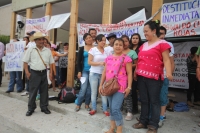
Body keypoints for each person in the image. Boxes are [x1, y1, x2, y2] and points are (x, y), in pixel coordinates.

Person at [132, 20, 172, 133]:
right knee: (144, 100)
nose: (145, 34)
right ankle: (143, 121)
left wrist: (168, 72)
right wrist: (135, 72)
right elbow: (139, 60)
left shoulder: (162, 44)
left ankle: (153, 126)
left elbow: (166, 60)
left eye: (146, 31)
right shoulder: (143, 45)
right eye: (144, 32)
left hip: (154, 78)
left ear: (154, 31)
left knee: (154, 101)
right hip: (141, 76)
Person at [99, 38, 132, 133]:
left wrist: (129, 87)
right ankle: (112, 128)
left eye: (120, 45)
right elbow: (104, 72)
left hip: (121, 87)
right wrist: (101, 85)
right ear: (113, 46)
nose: (118, 46)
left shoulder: (126, 58)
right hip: (109, 86)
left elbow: (130, 73)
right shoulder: (108, 58)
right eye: (116, 44)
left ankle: (119, 130)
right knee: (111, 108)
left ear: (123, 46)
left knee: (115, 108)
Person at [23, 32, 54, 116]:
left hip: (44, 73)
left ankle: (44, 107)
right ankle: (31, 108)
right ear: (35, 41)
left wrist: (51, 73)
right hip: (34, 73)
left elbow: (51, 63)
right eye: (39, 39)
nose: (41, 41)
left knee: (44, 91)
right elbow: (25, 62)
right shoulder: (30, 49)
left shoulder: (47, 50)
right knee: (33, 92)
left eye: (42, 39)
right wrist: (27, 72)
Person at [88, 34, 109, 116]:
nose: (104, 42)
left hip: (104, 74)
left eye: (104, 40)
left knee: (103, 92)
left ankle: (105, 109)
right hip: (94, 73)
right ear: (97, 41)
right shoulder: (93, 50)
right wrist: (100, 63)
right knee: (94, 92)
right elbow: (89, 62)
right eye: (102, 40)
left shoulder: (107, 51)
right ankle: (94, 108)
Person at [158, 26, 175, 127]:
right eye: (159, 33)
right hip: (154, 76)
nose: (161, 35)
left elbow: (172, 62)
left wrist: (169, 74)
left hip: (164, 76)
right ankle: (155, 115)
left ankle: (162, 116)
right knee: (154, 97)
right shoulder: (152, 44)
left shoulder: (169, 44)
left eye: (163, 33)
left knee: (162, 96)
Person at [121, 35, 138, 121]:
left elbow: (137, 64)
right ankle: (119, 110)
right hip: (119, 77)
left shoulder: (132, 52)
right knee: (118, 93)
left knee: (128, 94)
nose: (124, 43)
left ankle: (129, 112)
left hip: (128, 75)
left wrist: (128, 66)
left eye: (126, 41)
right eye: (122, 41)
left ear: (129, 42)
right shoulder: (117, 51)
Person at [75, 33, 93, 112]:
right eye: (87, 38)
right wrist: (79, 71)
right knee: (83, 88)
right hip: (84, 71)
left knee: (89, 90)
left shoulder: (95, 48)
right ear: (84, 40)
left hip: (93, 72)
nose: (89, 39)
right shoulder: (82, 48)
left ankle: (87, 104)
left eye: (90, 37)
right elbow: (78, 61)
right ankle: (78, 104)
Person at [129, 33, 143, 115]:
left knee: (135, 90)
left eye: (136, 38)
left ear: (139, 39)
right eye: (133, 38)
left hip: (139, 71)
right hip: (128, 72)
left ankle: (136, 108)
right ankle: (131, 107)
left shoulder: (141, 48)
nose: (134, 39)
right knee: (131, 90)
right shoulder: (129, 48)